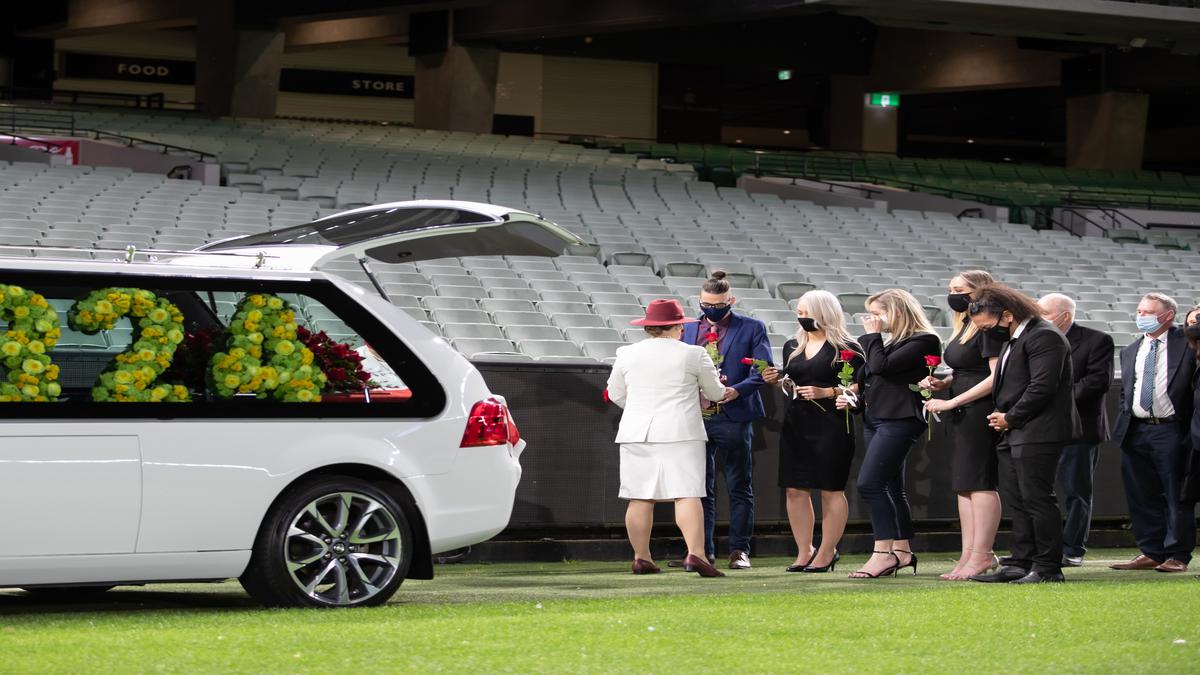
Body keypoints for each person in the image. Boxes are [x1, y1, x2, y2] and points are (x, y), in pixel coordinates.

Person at [606, 299, 734, 578]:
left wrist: (641, 409)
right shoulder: (694, 353)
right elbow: (714, 393)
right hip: (681, 431)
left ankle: (641, 558)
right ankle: (696, 555)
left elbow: (616, 393)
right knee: (687, 494)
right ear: (677, 326)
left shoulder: (627, 353)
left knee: (639, 497)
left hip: (637, 432)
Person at [967, 285, 1081, 584]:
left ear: (1007, 314)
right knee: (1018, 500)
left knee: (1037, 499)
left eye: (989, 326)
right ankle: (1020, 562)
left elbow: (1042, 386)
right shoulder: (1015, 338)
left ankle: (1047, 568)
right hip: (1016, 430)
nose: (987, 333)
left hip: (1038, 430)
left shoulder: (1044, 335)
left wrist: (1011, 417)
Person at [762, 290, 863, 573]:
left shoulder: (849, 347)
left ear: (824, 312)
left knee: (831, 489)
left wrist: (828, 391)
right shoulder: (792, 345)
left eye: (807, 312)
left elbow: (861, 386)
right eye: (800, 313)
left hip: (832, 423)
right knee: (795, 489)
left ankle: (828, 551)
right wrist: (776, 380)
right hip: (797, 423)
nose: (802, 317)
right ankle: (804, 549)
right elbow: (793, 382)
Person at [679, 271, 773, 570]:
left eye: (717, 304)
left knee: (739, 485)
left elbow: (762, 370)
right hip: (696, 417)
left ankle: (739, 550)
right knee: (699, 488)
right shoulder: (688, 329)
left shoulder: (752, 328)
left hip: (733, 416)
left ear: (730, 300)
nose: (711, 309)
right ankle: (701, 551)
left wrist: (735, 391)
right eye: (706, 303)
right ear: (699, 301)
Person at [848, 289, 942, 579]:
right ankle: (902, 551)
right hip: (876, 417)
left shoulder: (924, 339)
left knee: (870, 484)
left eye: (879, 313)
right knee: (891, 488)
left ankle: (882, 554)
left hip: (900, 418)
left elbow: (880, 367)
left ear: (898, 311)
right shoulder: (892, 342)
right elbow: (869, 376)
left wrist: (872, 336)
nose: (874, 319)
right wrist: (853, 397)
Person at [920, 270, 1002, 581]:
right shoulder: (965, 324)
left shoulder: (989, 327)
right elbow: (968, 370)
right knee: (964, 484)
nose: (953, 294)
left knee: (980, 481)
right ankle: (970, 554)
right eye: (951, 288)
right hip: (961, 407)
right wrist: (945, 384)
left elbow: (995, 377)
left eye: (960, 289)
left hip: (979, 409)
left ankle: (982, 553)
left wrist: (954, 401)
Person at [1109, 293, 1196, 573]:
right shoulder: (1132, 348)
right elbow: (1127, 391)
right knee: (1141, 494)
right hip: (1135, 429)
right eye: (1139, 310)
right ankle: (1151, 550)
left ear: (1168, 315)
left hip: (1171, 429)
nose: (1141, 315)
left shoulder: (1187, 343)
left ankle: (1177, 554)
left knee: (1175, 495)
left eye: (1147, 311)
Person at [1037, 293, 1114, 567]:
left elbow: (1096, 382)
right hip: (1042, 427)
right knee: (1037, 491)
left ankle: (1072, 549)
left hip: (1080, 429)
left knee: (1076, 491)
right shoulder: (1037, 338)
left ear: (1064, 316)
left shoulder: (1097, 340)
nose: (1038, 316)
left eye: (1044, 312)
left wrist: (1053, 398)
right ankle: (1043, 547)